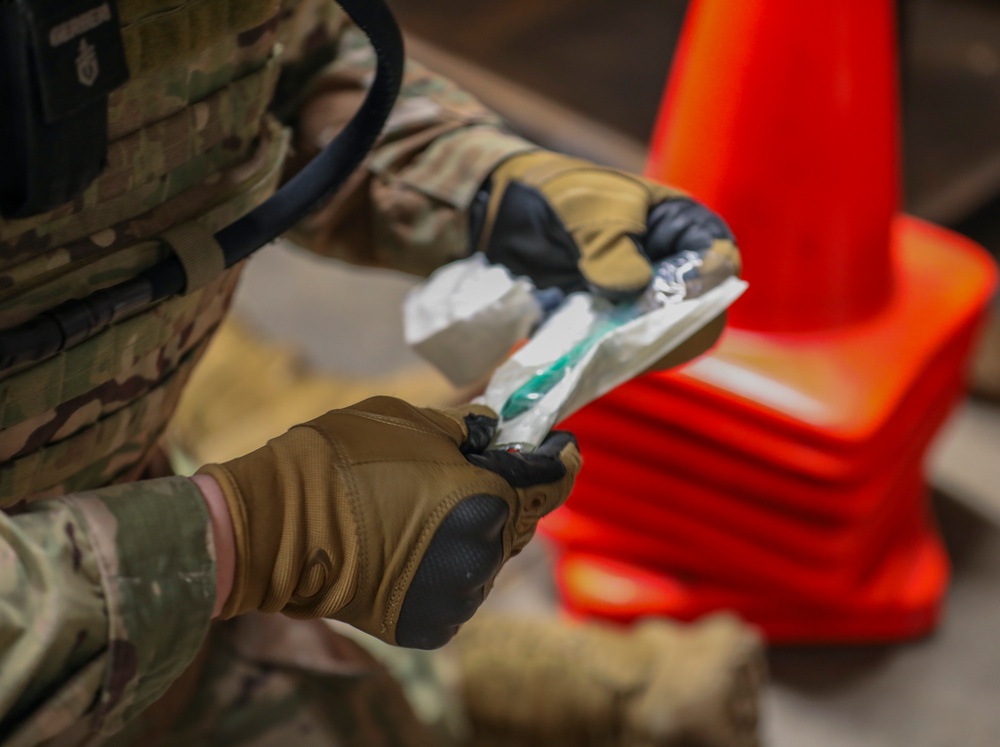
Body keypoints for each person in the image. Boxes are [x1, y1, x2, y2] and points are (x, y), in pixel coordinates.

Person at [0, 1, 762, 745]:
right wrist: (245, 534)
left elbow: (276, 53)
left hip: (135, 530)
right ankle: (471, 680)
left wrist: (486, 188)